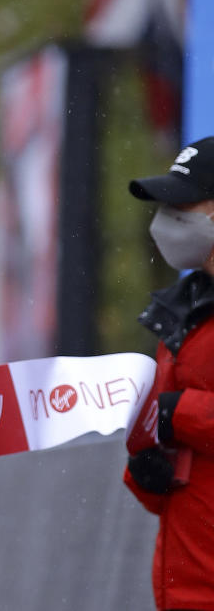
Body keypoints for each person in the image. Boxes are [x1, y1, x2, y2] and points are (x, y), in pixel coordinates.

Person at [125, 136, 214, 611]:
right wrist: (146, 467)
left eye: (182, 204)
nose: (166, 221)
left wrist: (174, 413)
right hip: (185, 582)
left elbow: (175, 412)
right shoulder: (184, 311)